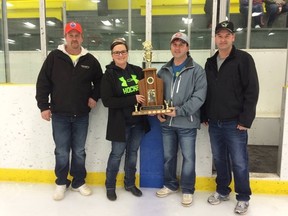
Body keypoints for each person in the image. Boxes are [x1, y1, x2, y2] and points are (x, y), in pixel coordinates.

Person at [35, 21, 103, 201]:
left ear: (82, 37)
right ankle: (61, 183)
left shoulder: (90, 60)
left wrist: (94, 97)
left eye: (77, 35)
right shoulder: (54, 57)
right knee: (62, 151)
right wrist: (44, 106)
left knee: (79, 150)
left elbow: (100, 82)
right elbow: (43, 82)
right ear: (65, 37)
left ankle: (79, 182)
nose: (74, 38)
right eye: (70, 35)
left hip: (81, 115)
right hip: (59, 115)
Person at [201, 20, 259, 215]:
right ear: (215, 38)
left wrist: (245, 120)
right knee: (220, 159)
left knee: (239, 161)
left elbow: (252, 91)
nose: (223, 39)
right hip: (215, 122)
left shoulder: (243, 59)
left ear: (233, 37)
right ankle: (222, 190)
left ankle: (243, 197)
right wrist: (205, 114)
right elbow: (206, 91)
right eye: (220, 35)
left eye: (227, 35)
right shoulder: (210, 62)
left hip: (235, 122)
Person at [155, 32, 207, 207]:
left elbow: (199, 98)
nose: (177, 48)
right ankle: (170, 184)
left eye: (181, 44)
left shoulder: (197, 70)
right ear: (171, 47)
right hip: (167, 124)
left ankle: (187, 189)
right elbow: (157, 96)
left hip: (187, 123)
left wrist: (179, 111)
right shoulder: (163, 70)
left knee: (188, 158)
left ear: (187, 47)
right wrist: (158, 111)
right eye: (174, 44)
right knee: (169, 157)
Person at [100, 38, 149, 201]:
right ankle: (110, 186)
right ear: (112, 55)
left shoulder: (137, 71)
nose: (120, 55)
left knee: (133, 154)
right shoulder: (108, 75)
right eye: (117, 52)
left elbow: (148, 91)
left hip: (138, 123)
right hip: (119, 124)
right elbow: (108, 101)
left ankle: (129, 183)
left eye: (123, 51)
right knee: (116, 154)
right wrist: (132, 99)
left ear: (127, 53)